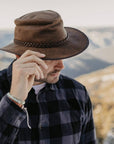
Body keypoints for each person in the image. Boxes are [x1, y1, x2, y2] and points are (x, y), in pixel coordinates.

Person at [0, 10, 97, 144]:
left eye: (62, 55)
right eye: (51, 57)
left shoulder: (77, 93)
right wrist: (14, 101)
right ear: (20, 57)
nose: (61, 66)